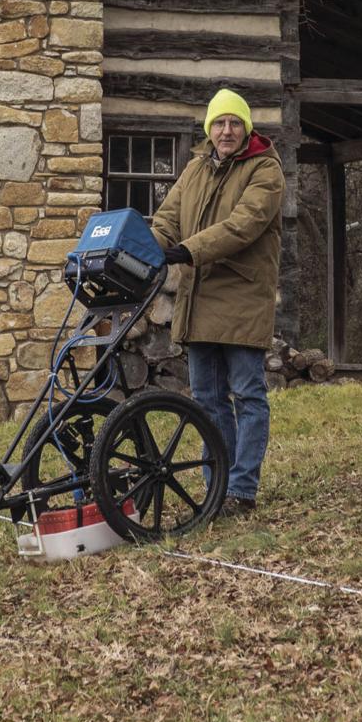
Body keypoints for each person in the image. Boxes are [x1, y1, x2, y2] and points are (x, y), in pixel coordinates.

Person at [151, 88, 285, 516]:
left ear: (247, 128)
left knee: (247, 394)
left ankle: (242, 490)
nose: (226, 131)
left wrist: (186, 250)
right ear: (209, 128)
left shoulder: (265, 169)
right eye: (219, 123)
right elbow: (167, 220)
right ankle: (217, 489)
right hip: (200, 295)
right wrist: (145, 247)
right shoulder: (195, 168)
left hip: (242, 296)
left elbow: (243, 225)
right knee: (207, 399)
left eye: (234, 123)